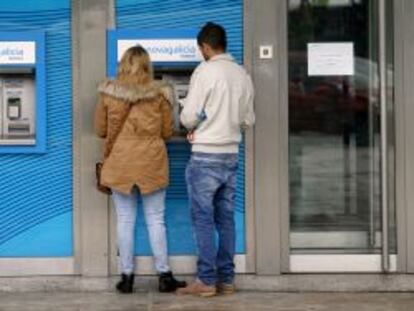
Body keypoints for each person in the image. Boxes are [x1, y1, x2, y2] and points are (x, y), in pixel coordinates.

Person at [94, 46, 186, 294]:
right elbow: (167, 132)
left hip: (121, 162)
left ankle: (126, 277)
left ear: (123, 64)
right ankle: (164, 275)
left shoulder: (108, 93)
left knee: (125, 221)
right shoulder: (160, 94)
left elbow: (101, 130)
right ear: (147, 66)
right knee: (156, 220)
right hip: (151, 163)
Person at [177, 22, 255, 297]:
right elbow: (248, 120)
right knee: (226, 219)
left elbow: (187, 117)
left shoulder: (205, 71)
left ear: (206, 47)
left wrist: (197, 127)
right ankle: (227, 280)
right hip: (230, 156)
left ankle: (206, 281)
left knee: (203, 220)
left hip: (205, 156)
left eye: (201, 49)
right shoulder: (242, 74)